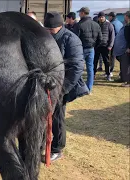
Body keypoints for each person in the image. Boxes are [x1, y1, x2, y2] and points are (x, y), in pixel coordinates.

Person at [43, 11, 89, 162]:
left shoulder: (71, 39)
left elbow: (76, 67)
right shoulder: (44, 36)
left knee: (57, 118)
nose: (49, 32)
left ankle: (57, 148)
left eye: (52, 30)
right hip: (45, 83)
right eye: (47, 29)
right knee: (41, 116)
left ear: (61, 26)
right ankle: (43, 141)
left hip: (62, 84)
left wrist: (63, 90)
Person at [75, 7, 102, 93]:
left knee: (79, 69)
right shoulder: (96, 24)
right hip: (91, 49)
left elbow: (75, 39)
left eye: (79, 12)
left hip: (81, 49)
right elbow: (100, 39)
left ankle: (81, 88)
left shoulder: (80, 25)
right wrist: (94, 46)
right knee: (90, 69)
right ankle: (89, 88)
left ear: (83, 13)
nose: (79, 14)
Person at [94, 12, 115, 81]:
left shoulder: (109, 25)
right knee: (95, 61)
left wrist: (110, 45)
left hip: (105, 46)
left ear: (104, 17)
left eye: (102, 17)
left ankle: (108, 74)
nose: (101, 18)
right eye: (100, 17)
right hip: (97, 46)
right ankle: (93, 74)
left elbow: (112, 36)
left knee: (106, 61)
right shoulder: (96, 24)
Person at [114, 11, 130, 87]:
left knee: (127, 65)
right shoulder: (126, 25)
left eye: (125, 16)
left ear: (127, 16)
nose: (124, 17)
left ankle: (128, 82)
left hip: (127, 49)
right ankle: (123, 78)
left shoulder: (129, 26)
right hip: (122, 49)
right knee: (123, 64)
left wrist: (129, 47)